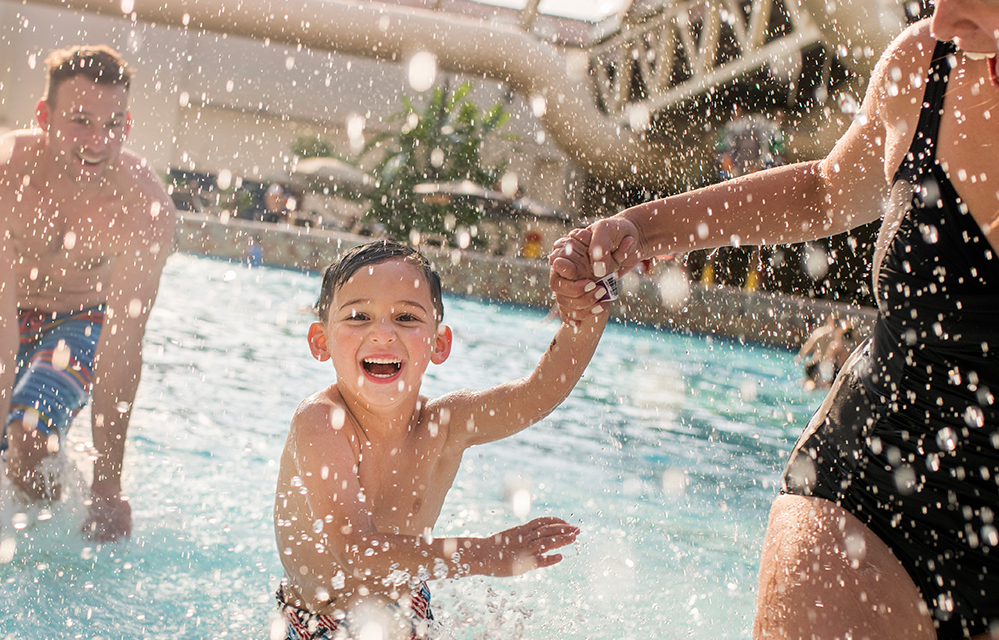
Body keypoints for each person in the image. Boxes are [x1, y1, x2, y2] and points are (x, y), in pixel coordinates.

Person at [550, 4, 998, 638]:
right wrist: (645, 228)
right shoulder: (924, 63)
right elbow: (823, 190)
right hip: (873, 480)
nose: (944, 20)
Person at [274, 240, 603, 638]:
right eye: (359, 316)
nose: (382, 333)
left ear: (439, 343)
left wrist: (591, 308)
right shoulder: (322, 422)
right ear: (320, 342)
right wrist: (486, 554)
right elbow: (355, 552)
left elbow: (539, 392)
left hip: (408, 610)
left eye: (407, 318)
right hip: (319, 626)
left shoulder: (442, 424)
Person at [0, 45, 177, 546]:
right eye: (82, 121)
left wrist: (109, 485)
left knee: (31, 433)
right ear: (44, 117)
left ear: (127, 126)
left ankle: (47, 547)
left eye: (113, 124)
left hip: (83, 319)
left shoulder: (144, 208)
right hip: (7, 316)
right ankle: (21, 512)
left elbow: (121, 347)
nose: (98, 141)